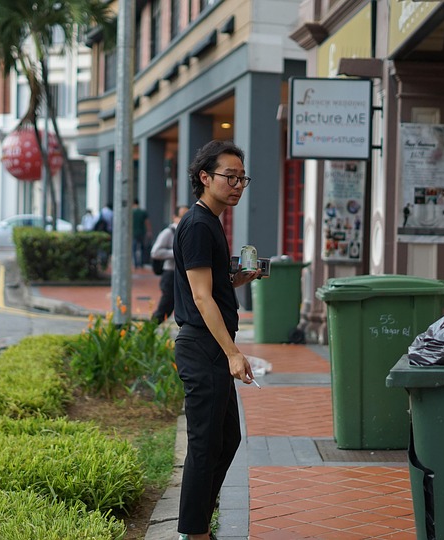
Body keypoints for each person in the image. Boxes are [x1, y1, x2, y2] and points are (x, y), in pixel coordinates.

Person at [173, 140, 259, 540]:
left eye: (242, 177)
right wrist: (232, 353)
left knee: (227, 439)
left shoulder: (212, 222)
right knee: (206, 445)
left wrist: (239, 278)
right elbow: (200, 296)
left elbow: (213, 285)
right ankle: (194, 532)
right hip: (203, 347)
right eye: (230, 176)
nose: (238, 184)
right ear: (205, 178)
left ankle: (199, 524)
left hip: (209, 347)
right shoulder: (196, 224)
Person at [150, 205, 188, 323]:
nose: (184, 219)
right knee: (166, 306)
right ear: (175, 217)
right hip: (170, 274)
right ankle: (148, 330)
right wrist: (176, 253)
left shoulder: (188, 231)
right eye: (182, 216)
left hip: (184, 274)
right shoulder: (168, 232)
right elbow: (155, 252)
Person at [132, 198, 151, 268]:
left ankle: (136, 264)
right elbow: (147, 222)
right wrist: (149, 231)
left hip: (134, 233)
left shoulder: (131, 212)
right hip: (142, 232)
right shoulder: (143, 212)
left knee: (134, 249)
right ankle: (142, 263)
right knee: (142, 248)